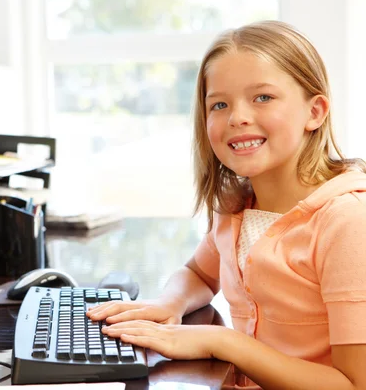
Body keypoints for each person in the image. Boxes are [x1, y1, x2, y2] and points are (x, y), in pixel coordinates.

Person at [87, 20, 366, 389]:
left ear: (314, 112)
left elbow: (353, 383)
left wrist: (223, 342)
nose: (237, 117)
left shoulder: (348, 222)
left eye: (262, 97)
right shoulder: (236, 207)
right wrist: (170, 302)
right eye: (219, 104)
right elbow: (200, 274)